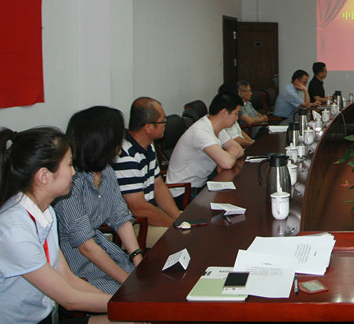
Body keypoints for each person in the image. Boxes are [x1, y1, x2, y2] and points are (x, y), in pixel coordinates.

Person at [0, 127, 133, 324]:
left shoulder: (46, 212)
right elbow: (70, 299)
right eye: (69, 165)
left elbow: (68, 278)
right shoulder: (12, 230)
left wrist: (121, 306)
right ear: (44, 176)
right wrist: (130, 307)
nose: (74, 172)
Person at [53, 106, 143, 295]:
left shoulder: (106, 171)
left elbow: (120, 217)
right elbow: (86, 246)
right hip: (79, 267)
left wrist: (137, 258)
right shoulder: (71, 181)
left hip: (105, 255)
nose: (122, 141)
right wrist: (127, 280)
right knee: (133, 296)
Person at [112, 97, 181, 248]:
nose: (165, 125)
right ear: (148, 127)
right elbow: (138, 208)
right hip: (133, 225)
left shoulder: (148, 145)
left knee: (196, 224)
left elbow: (158, 186)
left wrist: (178, 217)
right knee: (182, 237)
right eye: (162, 121)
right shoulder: (126, 156)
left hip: (150, 214)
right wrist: (174, 225)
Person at [165, 91, 244, 204]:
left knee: (235, 196)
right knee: (231, 202)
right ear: (224, 112)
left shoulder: (217, 127)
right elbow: (227, 163)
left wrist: (227, 157)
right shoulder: (201, 131)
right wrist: (226, 159)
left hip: (200, 185)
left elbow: (238, 149)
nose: (237, 118)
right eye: (236, 114)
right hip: (183, 192)